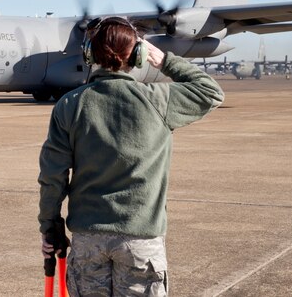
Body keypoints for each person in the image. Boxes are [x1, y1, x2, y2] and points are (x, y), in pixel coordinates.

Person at [38, 16, 224, 296]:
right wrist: (165, 61)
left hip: (89, 240)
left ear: (89, 53)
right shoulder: (159, 100)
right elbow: (211, 92)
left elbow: (53, 176)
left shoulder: (70, 105)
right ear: (138, 55)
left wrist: (50, 227)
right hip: (141, 241)